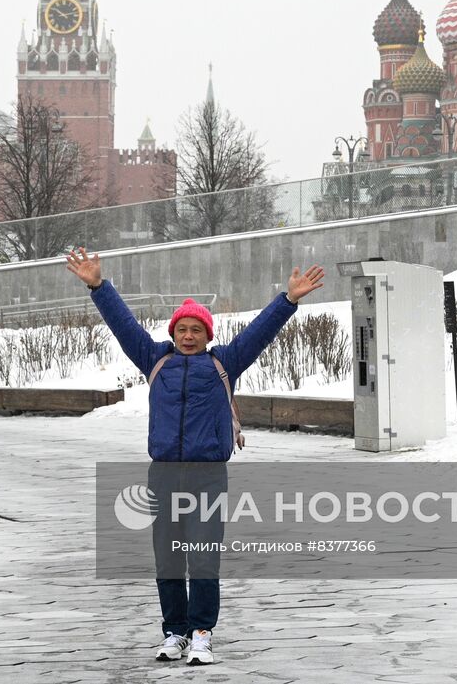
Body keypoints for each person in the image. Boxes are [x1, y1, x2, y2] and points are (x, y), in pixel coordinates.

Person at [66, 247, 324, 667]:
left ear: (208, 335)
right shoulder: (156, 360)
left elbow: (260, 331)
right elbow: (123, 325)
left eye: (196, 330)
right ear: (173, 333)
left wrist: (288, 299)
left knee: (203, 556)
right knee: (168, 558)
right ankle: (174, 632)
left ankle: (202, 632)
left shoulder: (225, 362)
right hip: (164, 476)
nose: (188, 336)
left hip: (207, 476)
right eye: (182, 329)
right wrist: (98, 285)